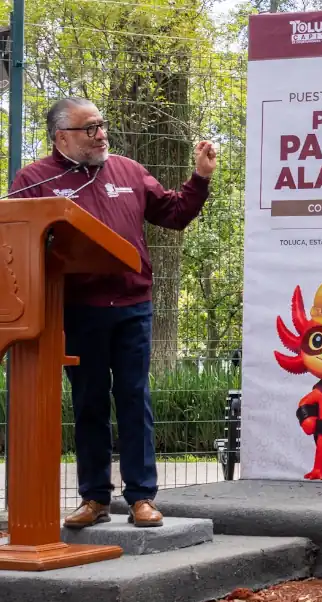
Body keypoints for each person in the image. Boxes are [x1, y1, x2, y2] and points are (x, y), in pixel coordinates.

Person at [8, 97, 216, 528]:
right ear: (61, 136)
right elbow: (17, 239)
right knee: (89, 403)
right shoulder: (34, 180)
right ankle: (94, 499)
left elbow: (174, 214)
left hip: (132, 307)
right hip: (77, 310)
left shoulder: (128, 170)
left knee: (134, 399)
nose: (101, 134)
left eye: (102, 125)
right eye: (90, 128)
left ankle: (142, 497)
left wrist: (200, 178)